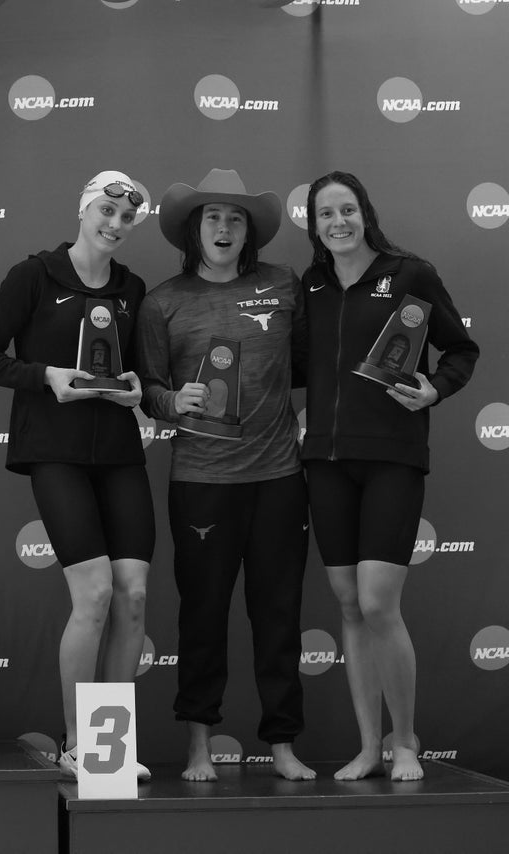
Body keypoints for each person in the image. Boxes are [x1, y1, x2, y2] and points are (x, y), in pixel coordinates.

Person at [0, 171, 155, 781]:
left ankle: (111, 751)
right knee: (94, 595)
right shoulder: (35, 274)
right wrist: (45, 376)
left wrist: (136, 390)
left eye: (127, 218)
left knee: (133, 596)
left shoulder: (132, 287)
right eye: (106, 210)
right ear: (84, 209)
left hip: (120, 454)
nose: (115, 225)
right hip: (55, 452)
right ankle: (81, 746)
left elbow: (143, 376)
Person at [135, 168, 314, 782]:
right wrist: (168, 402)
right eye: (212, 216)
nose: (223, 227)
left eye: (235, 218)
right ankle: (198, 746)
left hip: (279, 479)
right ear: (193, 228)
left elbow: (312, 366)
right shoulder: (162, 300)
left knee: (279, 615)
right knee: (203, 617)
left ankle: (284, 745)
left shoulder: (284, 285)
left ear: (250, 232)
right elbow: (148, 389)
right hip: (201, 481)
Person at [301, 172, 477, 782]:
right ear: (314, 226)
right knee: (348, 604)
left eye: (346, 209)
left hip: (393, 458)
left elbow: (461, 350)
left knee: (378, 603)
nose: (337, 222)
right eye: (325, 214)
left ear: (365, 213)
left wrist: (436, 387)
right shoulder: (313, 284)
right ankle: (368, 746)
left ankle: (406, 743)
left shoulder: (411, 274)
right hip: (323, 461)